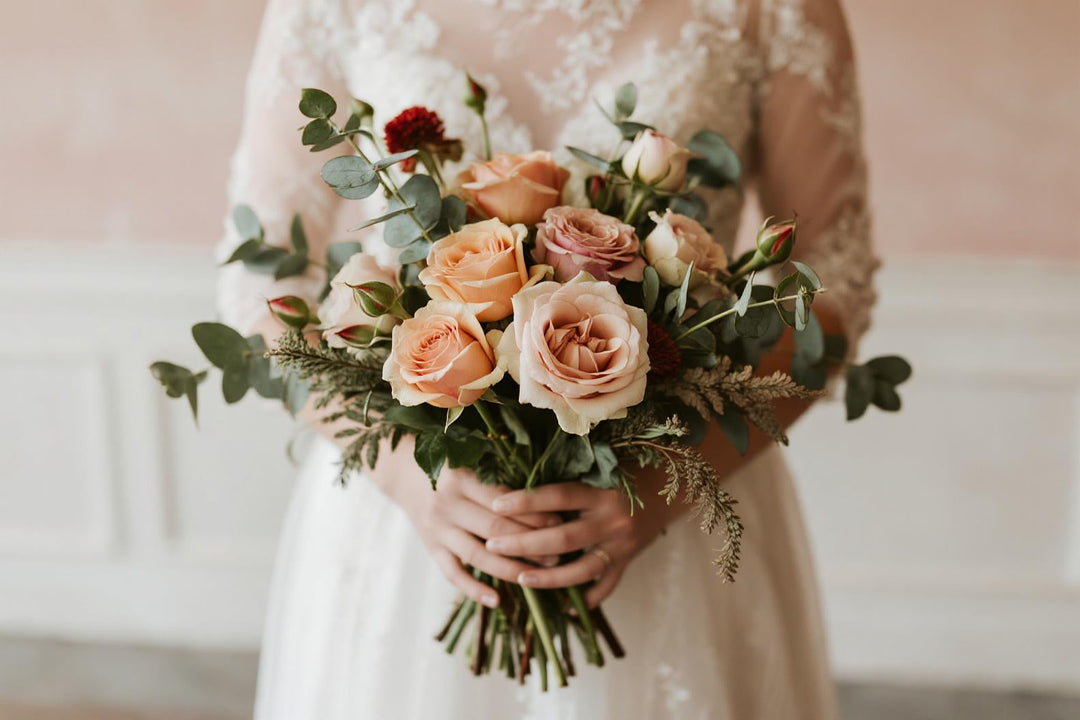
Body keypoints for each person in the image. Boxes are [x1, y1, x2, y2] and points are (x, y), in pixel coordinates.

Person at [217, 0, 878, 716]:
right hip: (414, 514)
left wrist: (667, 485)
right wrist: (407, 474)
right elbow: (260, 286)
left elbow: (833, 283)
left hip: (676, 495)